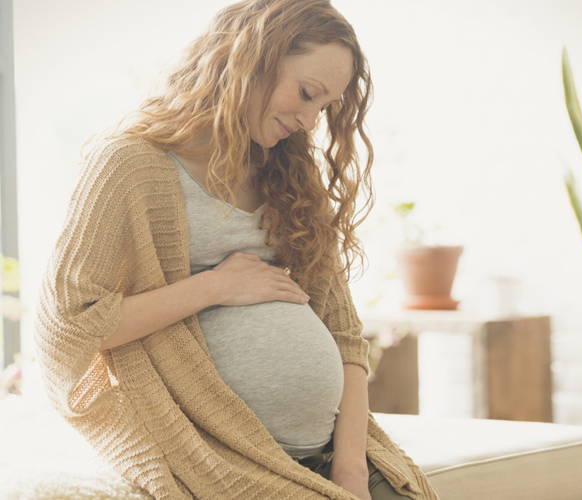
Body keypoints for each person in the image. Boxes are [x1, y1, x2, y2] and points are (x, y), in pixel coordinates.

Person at [32, 1, 439, 499]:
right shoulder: (129, 165)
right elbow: (69, 327)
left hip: (333, 454)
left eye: (324, 107)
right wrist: (213, 287)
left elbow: (345, 335)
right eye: (307, 94)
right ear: (251, 58)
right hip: (217, 454)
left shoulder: (290, 175)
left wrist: (352, 470)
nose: (311, 120)